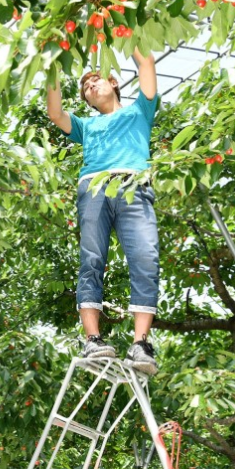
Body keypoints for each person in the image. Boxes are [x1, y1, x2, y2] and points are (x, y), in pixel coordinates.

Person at [46, 50, 160, 375]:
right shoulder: (87, 126)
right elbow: (55, 113)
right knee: (92, 259)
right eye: (86, 89)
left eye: (96, 81)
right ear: (88, 102)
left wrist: (124, 25)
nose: (91, 87)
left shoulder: (141, 110)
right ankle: (93, 339)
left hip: (133, 184)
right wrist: (53, 64)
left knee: (145, 257)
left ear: (114, 82)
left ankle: (141, 344)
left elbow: (147, 64)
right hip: (94, 186)